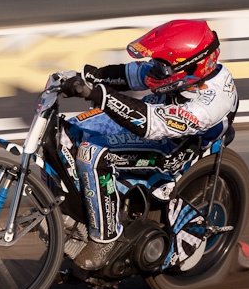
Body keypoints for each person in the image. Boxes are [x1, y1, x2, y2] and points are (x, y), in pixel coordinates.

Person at [59, 19, 238, 271]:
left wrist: (99, 95)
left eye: (162, 66)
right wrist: (87, 77)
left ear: (190, 67)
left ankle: (105, 238)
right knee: (66, 130)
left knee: (92, 154)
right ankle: (73, 214)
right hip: (156, 121)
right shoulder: (182, 73)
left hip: (173, 149)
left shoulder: (212, 102)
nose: (154, 70)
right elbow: (131, 75)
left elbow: (150, 125)